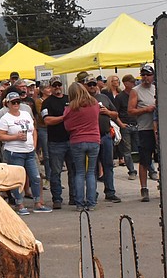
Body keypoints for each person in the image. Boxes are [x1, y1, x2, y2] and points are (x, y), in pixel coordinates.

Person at [0, 90, 49, 215]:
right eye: (13, 102)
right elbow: (0, 136)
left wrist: (34, 145)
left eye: (18, 102)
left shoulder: (26, 114)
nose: (16, 104)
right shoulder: (5, 118)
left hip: (29, 151)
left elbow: (33, 130)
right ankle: (19, 204)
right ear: (8, 104)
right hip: (14, 152)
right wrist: (15, 137)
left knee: (36, 177)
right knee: (18, 179)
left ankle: (38, 203)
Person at [62, 80, 102, 211]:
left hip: (77, 140)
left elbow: (67, 127)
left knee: (79, 173)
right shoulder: (94, 103)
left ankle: (79, 203)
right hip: (94, 139)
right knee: (91, 172)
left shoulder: (71, 108)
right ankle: (91, 202)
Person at [86, 76, 123, 204]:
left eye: (94, 84)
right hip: (91, 137)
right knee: (92, 168)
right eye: (89, 84)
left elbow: (115, 113)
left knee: (108, 165)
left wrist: (107, 112)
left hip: (106, 135)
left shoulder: (104, 98)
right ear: (85, 86)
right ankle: (92, 193)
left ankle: (110, 192)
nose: (92, 87)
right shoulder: (83, 100)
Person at [41, 79, 74, 208]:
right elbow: (47, 120)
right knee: (55, 171)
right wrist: (63, 118)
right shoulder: (47, 103)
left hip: (71, 139)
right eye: (54, 86)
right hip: (55, 142)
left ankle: (74, 197)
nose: (57, 88)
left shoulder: (69, 99)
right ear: (50, 87)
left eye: (59, 85)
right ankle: (57, 199)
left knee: (74, 171)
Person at [129, 64, 158, 202]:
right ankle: (144, 188)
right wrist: (146, 109)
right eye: (143, 75)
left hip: (158, 129)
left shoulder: (157, 89)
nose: (146, 78)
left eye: (148, 75)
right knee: (144, 160)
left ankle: (163, 185)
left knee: (161, 159)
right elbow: (131, 111)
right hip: (144, 129)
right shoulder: (136, 91)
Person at [113, 75, 138, 179]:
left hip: (136, 124)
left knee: (142, 148)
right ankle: (131, 171)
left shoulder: (136, 93)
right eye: (131, 82)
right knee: (127, 151)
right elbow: (115, 112)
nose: (134, 84)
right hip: (126, 125)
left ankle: (150, 170)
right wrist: (120, 124)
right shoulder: (120, 97)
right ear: (126, 83)